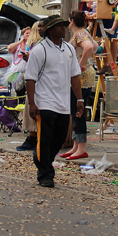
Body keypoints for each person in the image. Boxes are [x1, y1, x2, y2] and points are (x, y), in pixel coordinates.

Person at [25, 15, 84, 188]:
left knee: (59, 138)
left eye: (64, 25)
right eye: (59, 26)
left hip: (63, 102)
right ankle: (45, 175)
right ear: (50, 30)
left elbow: (75, 75)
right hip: (44, 102)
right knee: (45, 138)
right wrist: (32, 103)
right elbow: (30, 78)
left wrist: (79, 99)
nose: (64, 28)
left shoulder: (69, 48)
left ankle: (41, 159)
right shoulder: (39, 50)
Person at [59, 11, 97, 161]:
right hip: (85, 74)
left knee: (77, 111)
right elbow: (96, 46)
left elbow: (89, 47)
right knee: (74, 110)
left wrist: (79, 64)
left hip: (81, 77)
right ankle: (76, 145)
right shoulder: (85, 32)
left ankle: (81, 147)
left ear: (72, 21)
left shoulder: (80, 34)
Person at [16, 22, 43, 151]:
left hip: (38, 80)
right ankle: (33, 138)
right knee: (32, 108)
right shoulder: (34, 44)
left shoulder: (40, 45)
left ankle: (34, 138)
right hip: (34, 78)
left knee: (34, 109)